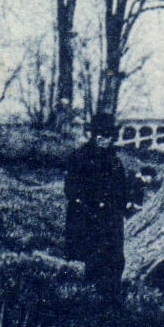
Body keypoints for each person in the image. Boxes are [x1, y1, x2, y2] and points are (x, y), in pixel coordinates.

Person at [63, 114, 137, 302]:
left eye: (111, 136)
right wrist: (92, 203)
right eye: (106, 135)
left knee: (114, 260)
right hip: (88, 217)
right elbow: (72, 189)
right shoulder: (80, 157)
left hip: (111, 216)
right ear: (97, 136)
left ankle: (110, 297)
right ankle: (90, 296)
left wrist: (124, 203)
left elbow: (120, 186)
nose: (109, 140)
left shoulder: (113, 160)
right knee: (93, 258)